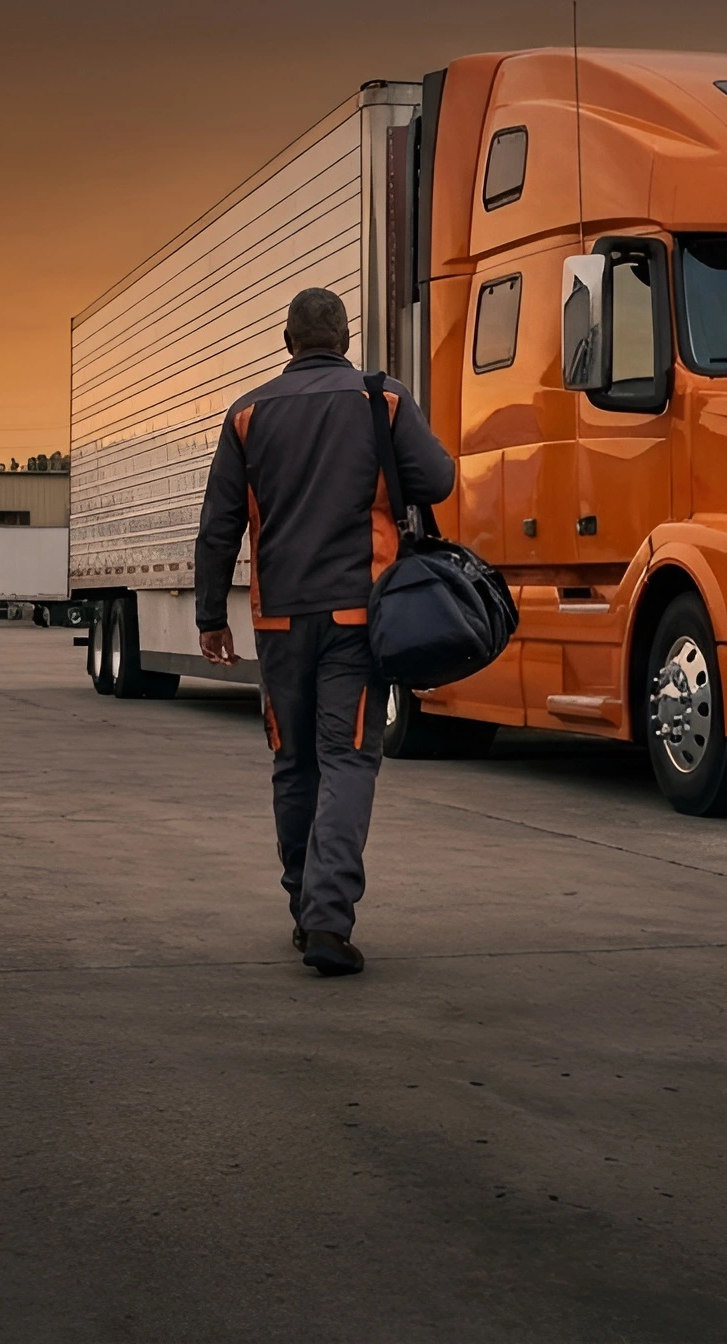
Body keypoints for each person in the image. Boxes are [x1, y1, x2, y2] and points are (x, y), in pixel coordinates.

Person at [193, 287, 456, 977]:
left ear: (287, 341)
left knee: (295, 762)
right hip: (357, 618)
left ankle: (301, 908)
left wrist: (210, 616)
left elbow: (219, 526)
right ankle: (328, 924)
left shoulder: (246, 414)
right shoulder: (383, 401)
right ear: (345, 338)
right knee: (346, 761)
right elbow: (438, 480)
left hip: (278, 620)